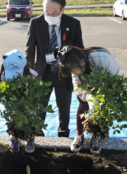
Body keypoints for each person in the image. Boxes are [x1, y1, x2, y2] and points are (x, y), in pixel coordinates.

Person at [26, 0, 84, 139]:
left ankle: (63, 133)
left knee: (64, 106)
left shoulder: (73, 23)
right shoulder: (36, 23)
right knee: (40, 106)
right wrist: (29, 71)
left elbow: (79, 49)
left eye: (54, 13)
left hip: (63, 72)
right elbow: (30, 49)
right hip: (43, 71)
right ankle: (38, 133)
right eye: (47, 12)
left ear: (62, 10)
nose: (50, 15)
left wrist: (69, 58)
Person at [58, 46, 120, 154]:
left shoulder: (103, 59)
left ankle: (96, 137)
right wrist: (89, 98)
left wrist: (101, 99)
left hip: (106, 83)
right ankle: (79, 135)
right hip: (88, 84)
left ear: (82, 62)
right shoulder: (74, 66)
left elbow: (113, 79)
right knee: (83, 106)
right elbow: (78, 89)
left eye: (74, 71)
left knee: (102, 111)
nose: (74, 73)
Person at [0, 49, 38, 153]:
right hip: (11, 103)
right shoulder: (3, 75)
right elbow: (0, 90)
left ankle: (30, 138)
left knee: (29, 117)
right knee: (12, 119)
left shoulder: (31, 76)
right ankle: (14, 138)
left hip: (26, 103)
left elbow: (35, 96)